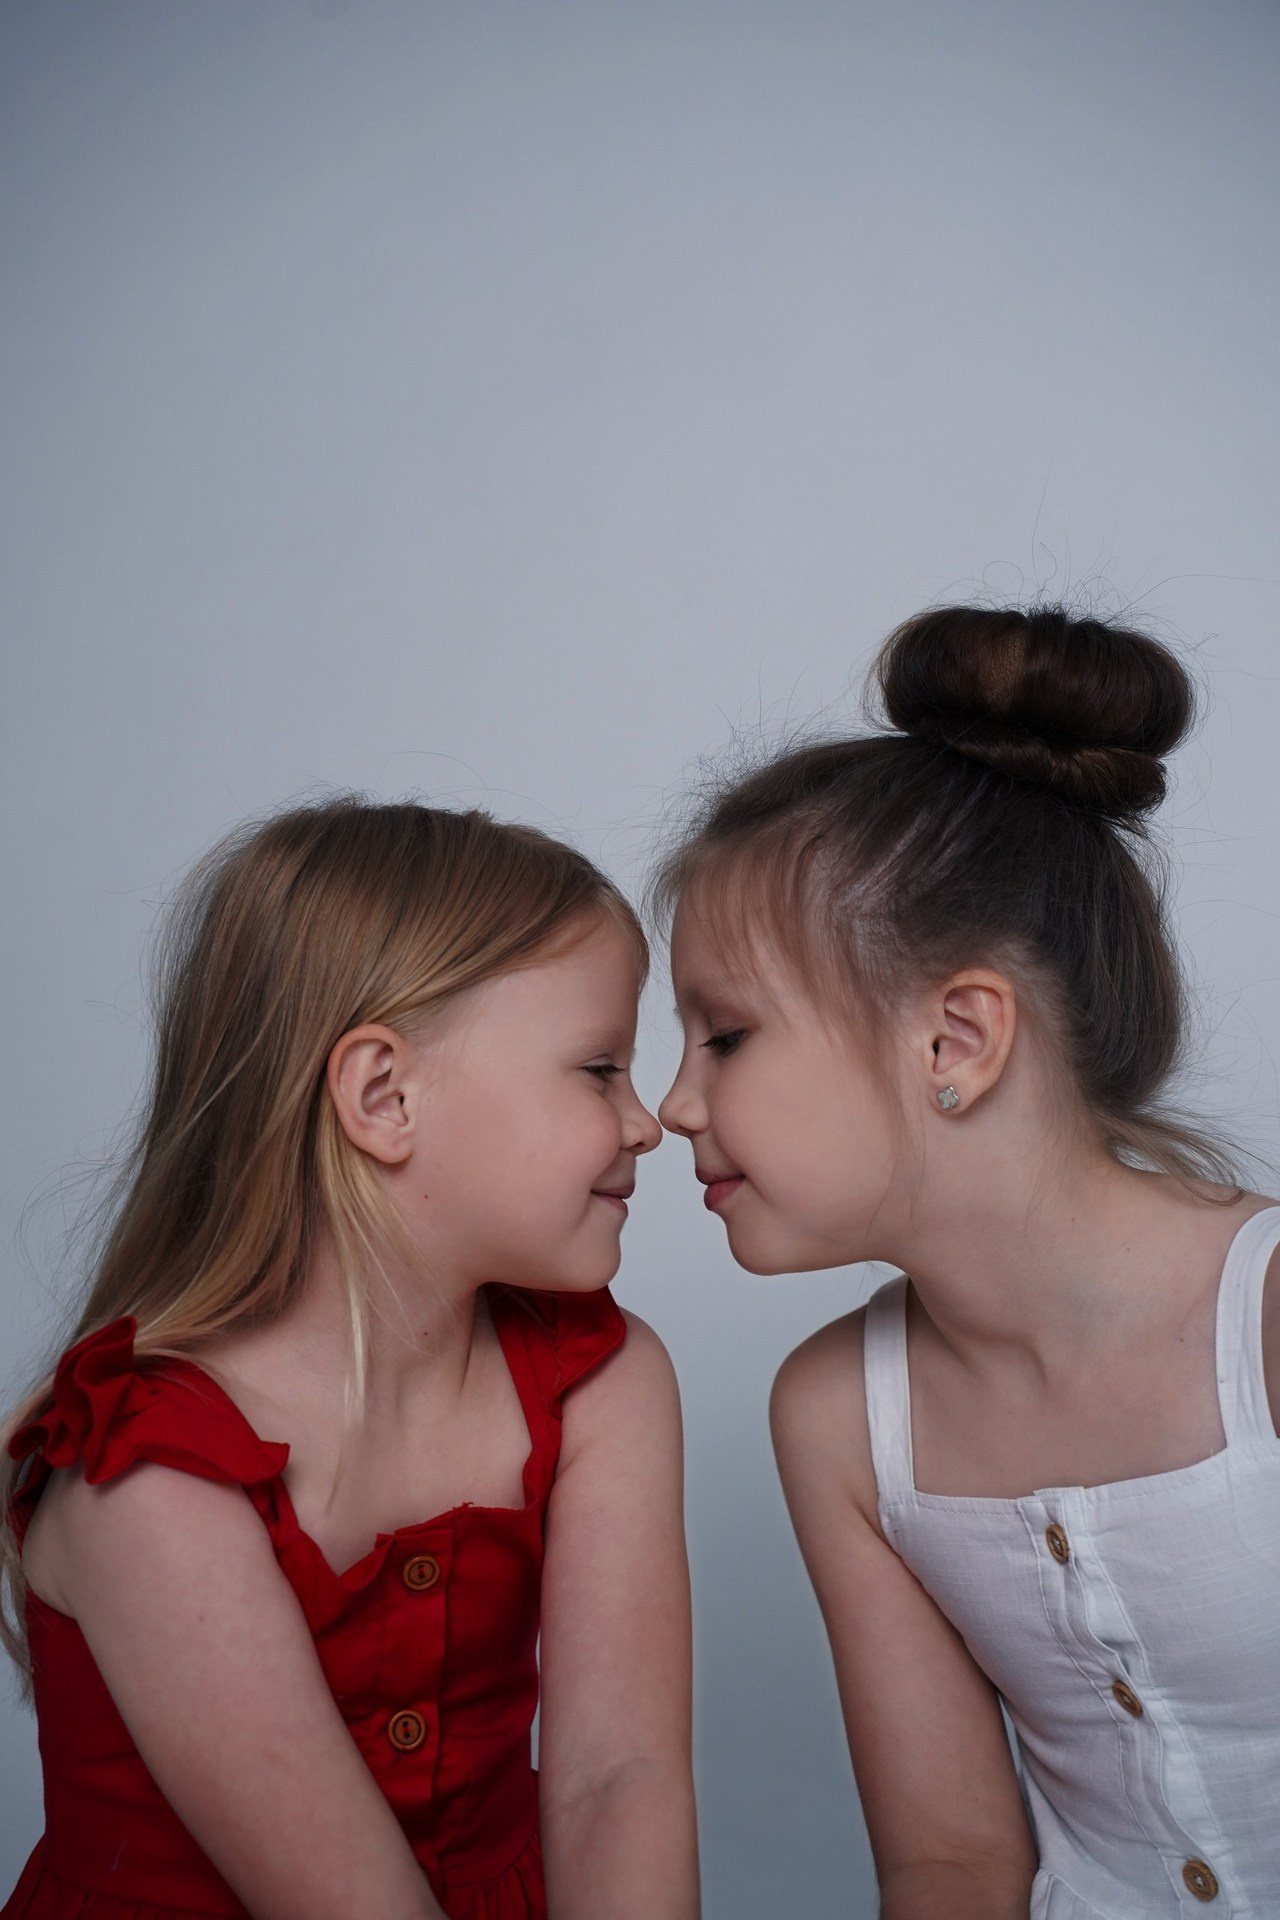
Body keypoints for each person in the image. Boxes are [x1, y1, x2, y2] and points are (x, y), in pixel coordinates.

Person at [656, 605, 1280, 1920]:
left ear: (956, 1039)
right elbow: (950, 1863)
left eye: (725, 1037)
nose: (672, 1104)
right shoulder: (836, 1416)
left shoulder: (1267, 1324)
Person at [1, 798, 698, 1920]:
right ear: (384, 1097)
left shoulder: (602, 1382)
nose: (645, 1121)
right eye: (597, 1067)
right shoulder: (150, 1477)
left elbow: (619, 1781)